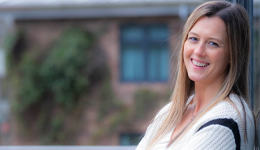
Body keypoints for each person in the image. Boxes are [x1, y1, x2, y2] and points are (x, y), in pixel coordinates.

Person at [136, 1, 255, 149]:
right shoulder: (171, 112)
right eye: (193, 39)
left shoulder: (226, 122)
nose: (198, 51)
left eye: (213, 43)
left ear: (233, 54)